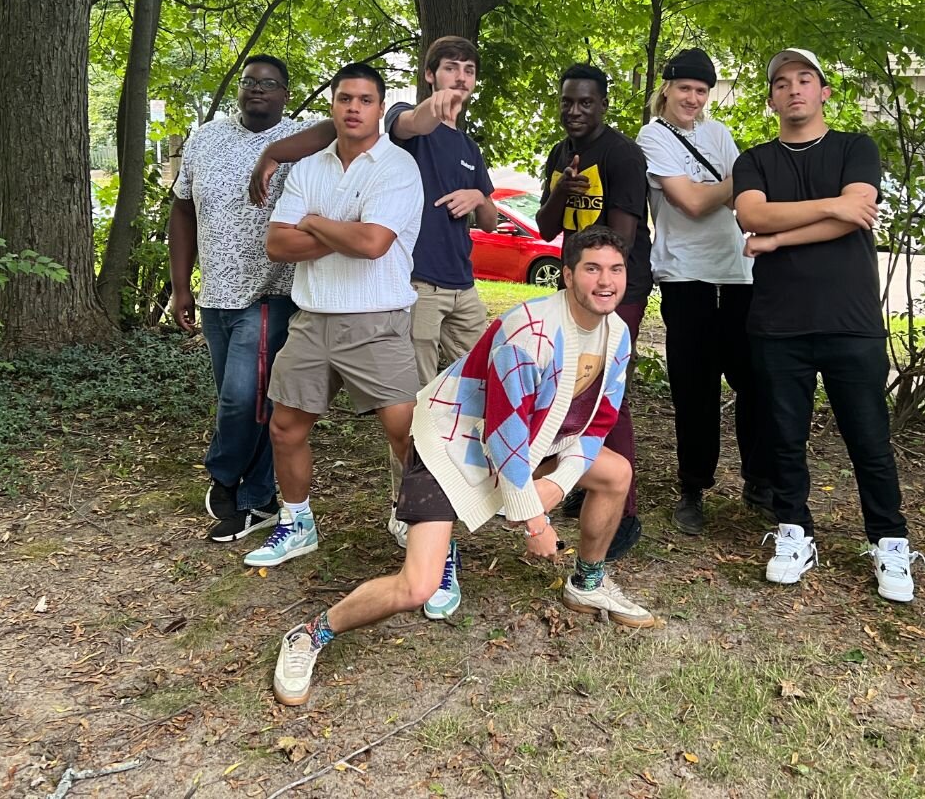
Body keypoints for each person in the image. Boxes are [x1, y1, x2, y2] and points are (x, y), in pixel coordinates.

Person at [270, 227, 658, 707]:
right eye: (592, 268)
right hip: (452, 445)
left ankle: (588, 583)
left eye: (615, 269)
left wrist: (557, 484)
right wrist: (533, 518)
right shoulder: (528, 331)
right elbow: (502, 433)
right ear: (566, 275)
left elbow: (598, 423)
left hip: (531, 443)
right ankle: (310, 634)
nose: (606, 281)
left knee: (616, 472)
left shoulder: (616, 333)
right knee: (417, 586)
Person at [248, 38, 500, 546]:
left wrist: (315, 223)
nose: (460, 78)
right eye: (449, 68)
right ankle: (369, 519)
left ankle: (452, 511)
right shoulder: (405, 123)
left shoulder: (463, 149)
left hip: (439, 292)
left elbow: (375, 241)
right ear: (429, 76)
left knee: (442, 412)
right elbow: (279, 242)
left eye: (468, 71)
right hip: (386, 296)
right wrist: (277, 156)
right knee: (305, 424)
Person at [732, 48, 923, 603]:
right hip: (777, 324)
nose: (794, 89)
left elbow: (857, 213)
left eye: (805, 80)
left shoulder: (855, 148)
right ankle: (794, 533)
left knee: (869, 439)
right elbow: (752, 215)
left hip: (850, 322)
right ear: (771, 98)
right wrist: (830, 207)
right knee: (783, 439)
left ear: (823, 93)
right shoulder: (756, 160)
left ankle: (889, 540)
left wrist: (778, 239)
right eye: (783, 82)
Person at [169, 55, 307, 543]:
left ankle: (227, 477)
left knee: (243, 398)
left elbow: (351, 129)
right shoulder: (206, 137)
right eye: (250, 82)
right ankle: (260, 500)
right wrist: (181, 284)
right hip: (216, 296)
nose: (257, 90)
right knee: (250, 404)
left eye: (269, 84)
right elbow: (182, 210)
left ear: (286, 94)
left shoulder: (305, 138)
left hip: (272, 292)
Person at [635, 47, 771, 537]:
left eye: (701, 90)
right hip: (685, 277)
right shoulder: (652, 137)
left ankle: (759, 482)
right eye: (685, 88)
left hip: (738, 275)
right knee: (694, 389)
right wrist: (740, 181)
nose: (692, 98)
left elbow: (747, 198)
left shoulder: (718, 134)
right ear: (666, 89)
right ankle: (693, 488)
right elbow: (691, 202)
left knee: (756, 382)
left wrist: (740, 185)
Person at [536, 64, 653, 560]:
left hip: (615, 291)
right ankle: (588, 478)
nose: (574, 111)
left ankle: (623, 510)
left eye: (585, 102)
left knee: (610, 392)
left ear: (603, 104)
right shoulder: (560, 154)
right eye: (567, 102)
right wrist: (562, 190)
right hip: (574, 289)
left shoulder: (622, 154)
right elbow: (544, 228)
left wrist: (597, 291)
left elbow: (621, 242)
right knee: (575, 386)